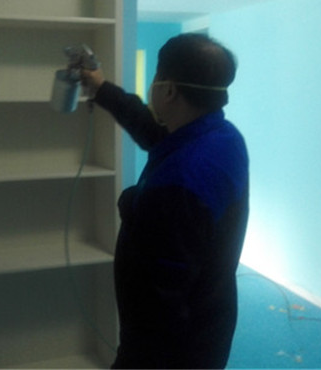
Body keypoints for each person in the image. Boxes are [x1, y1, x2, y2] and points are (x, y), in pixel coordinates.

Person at [81, 33, 249, 369]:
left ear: (168, 90)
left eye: (156, 76)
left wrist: (133, 207)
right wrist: (101, 88)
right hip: (209, 321)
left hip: (174, 350)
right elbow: (152, 130)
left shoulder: (180, 184)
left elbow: (160, 306)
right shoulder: (222, 137)